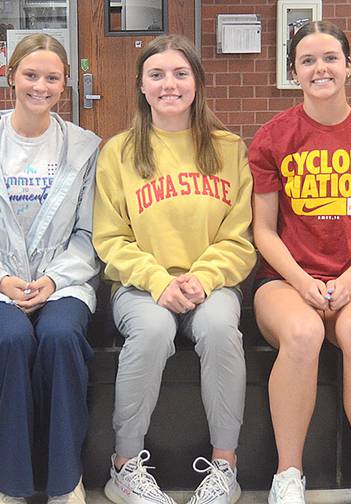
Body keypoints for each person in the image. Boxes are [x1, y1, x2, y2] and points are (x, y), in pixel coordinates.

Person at [92, 33, 257, 504]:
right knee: (152, 331)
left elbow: (238, 237)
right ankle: (125, 465)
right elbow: (110, 239)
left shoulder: (229, 149)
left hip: (212, 285)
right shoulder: (119, 152)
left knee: (222, 330)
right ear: (141, 86)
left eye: (180, 73)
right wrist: (159, 282)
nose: (170, 84)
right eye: (157, 75)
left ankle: (225, 466)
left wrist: (202, 279)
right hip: (141, 288)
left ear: (197, 83)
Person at [0, 33, 100, 504]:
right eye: (31, 75)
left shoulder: (84, 147)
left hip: (61, 279)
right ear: (10, 77)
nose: (40, 86)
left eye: (52, 77)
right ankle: (7, 484)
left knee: (61, 337)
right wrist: (1, 280)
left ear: (65, 84)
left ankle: (65, 481)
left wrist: (53, 280)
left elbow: (89, 236)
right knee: (9, 339)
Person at [248, 20, 351, 504]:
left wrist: (350, 281)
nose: (321, 68)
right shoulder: (274, 137)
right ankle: (287, 475)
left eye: (330, 57)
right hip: (285, 281)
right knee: (303, 334)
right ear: (294, 72)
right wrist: (302, 280)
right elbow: (264, 231)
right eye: (308, 60)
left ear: (349, 66)